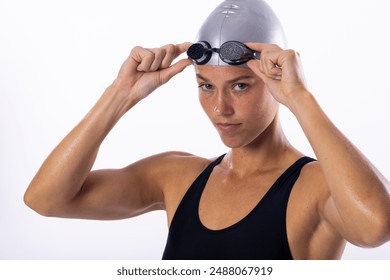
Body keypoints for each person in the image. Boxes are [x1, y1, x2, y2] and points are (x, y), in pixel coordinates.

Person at [24, 0, 390, 259]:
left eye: (240, 85)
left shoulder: (314, 186)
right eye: (206, 86)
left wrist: (300, 97)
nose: (220, 108)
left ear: (276, 78)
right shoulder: (176, 176)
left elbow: (377, 227)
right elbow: (46, 199)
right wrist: (119, 95)